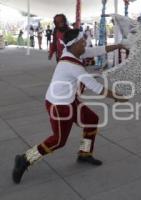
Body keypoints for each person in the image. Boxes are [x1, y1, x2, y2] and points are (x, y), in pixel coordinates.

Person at [12, 29, 128, 184]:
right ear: (74, 45)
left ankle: (84, 153)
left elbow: (97, 50)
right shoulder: (72, 64)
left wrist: (118, 45)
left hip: (70, 100)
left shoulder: (74, 53)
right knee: (59, 140)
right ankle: (25, 158)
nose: (85, 43)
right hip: (58, 105)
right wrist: (118, 97)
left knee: (91, 120)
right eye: (82, 41)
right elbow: (95, 86)